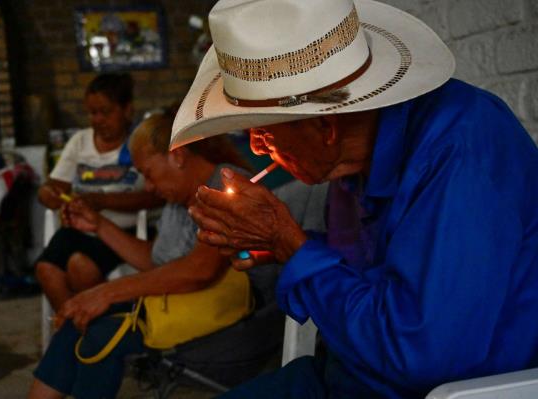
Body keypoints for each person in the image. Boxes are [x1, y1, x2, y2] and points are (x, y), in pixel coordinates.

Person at [170, 0, 538, 397]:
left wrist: (288, 243)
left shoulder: (462, 149)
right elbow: (376, 270)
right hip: (346, 375)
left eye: (262, 131)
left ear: (325, 126)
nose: (257, 149)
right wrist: (282, 246)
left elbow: (418, 356)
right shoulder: (348, 166)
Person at [28, 109, 254, 399]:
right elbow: (157, 261)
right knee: (78, 321)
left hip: (228, 315)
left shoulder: (226, 186)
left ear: (178, 156)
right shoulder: (178, 199)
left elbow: (201, 270)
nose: (148, 187)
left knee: (101, 333)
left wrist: (107, 293)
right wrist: (98, 225)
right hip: (178, 301)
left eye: (148, 173)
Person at [35, 73, 163, 312]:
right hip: (76, 230)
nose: (98, 120)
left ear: (127, 110)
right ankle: (74, 333)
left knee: (80, 267)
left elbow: (156, 197)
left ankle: (100, 334)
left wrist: (102, 201)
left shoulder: (140, 143)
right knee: (45, 269)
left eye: (106, 112)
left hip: (124, 231)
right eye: (93, 113)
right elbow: (53, 187)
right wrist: (47, 194)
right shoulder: (79, 142)